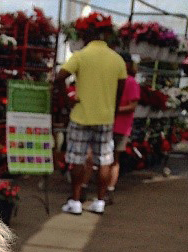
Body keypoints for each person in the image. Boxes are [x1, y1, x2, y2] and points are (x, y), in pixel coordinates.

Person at [54, 18, 127, 215]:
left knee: (77, 159)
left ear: (85, 38)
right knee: (104, 159)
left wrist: (67, 102)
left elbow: (59, 78)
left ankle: (75, 201)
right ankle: (100, 201)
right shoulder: (117, 59)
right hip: (105, 117)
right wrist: (113, 108)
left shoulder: (81, 56)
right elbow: (121, 88)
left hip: (81, 115)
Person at [108, 53, 140, 198]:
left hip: (119, 125)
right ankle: (107, 188)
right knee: (111, 159)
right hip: (110, 123)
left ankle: (109, 188)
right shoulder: (117, 80)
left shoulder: (130, 82)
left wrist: (114, 110)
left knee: (113, 159)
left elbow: (132, 106)